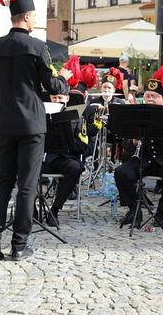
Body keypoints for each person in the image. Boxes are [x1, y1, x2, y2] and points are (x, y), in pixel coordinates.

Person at [0, 0, 70, 261]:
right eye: (34, 17)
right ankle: (20, 244)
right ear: (28, 16)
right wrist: (64, 80)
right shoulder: (37, 47)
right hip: (31, 124)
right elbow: (51, 85)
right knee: (27, 186)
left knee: (4, 181)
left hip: (4, 123)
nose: (35, 22)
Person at [114, 62, 163, 229]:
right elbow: (125, 143)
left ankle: (162, 212)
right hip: (144, 159)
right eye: (148, 96)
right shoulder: (137, 114)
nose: (150, 99)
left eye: (155, 96)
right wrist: (132, 141)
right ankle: (135, 210)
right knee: (121, 172)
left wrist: (161, 128)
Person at [41, 84, 93, 227]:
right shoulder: (40, 115)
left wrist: (69, 141)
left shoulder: (77, 116)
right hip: (44, 158)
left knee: (75, 168)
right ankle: (30, 209)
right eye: (54, 97)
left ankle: (55, 209)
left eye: (60, 98)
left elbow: (84, 147)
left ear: (67, 98)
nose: (57, 100)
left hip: (65, 159)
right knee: (23, 166)